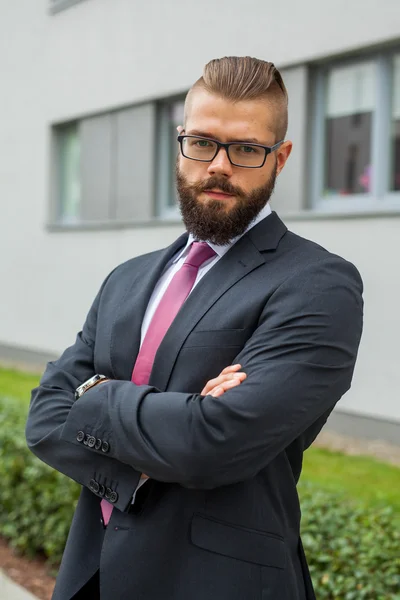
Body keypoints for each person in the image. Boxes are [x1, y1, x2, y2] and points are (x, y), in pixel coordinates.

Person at [25, 56, 363, 600]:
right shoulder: (127, 278)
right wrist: (169, 427)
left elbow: (214, 443)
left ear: (281, 157)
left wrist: (96, 395)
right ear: (180, 142)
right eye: (202, 142)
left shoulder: (318, 285)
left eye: (246, 149)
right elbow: (44, 416)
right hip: (91, 575)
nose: (219, 166)